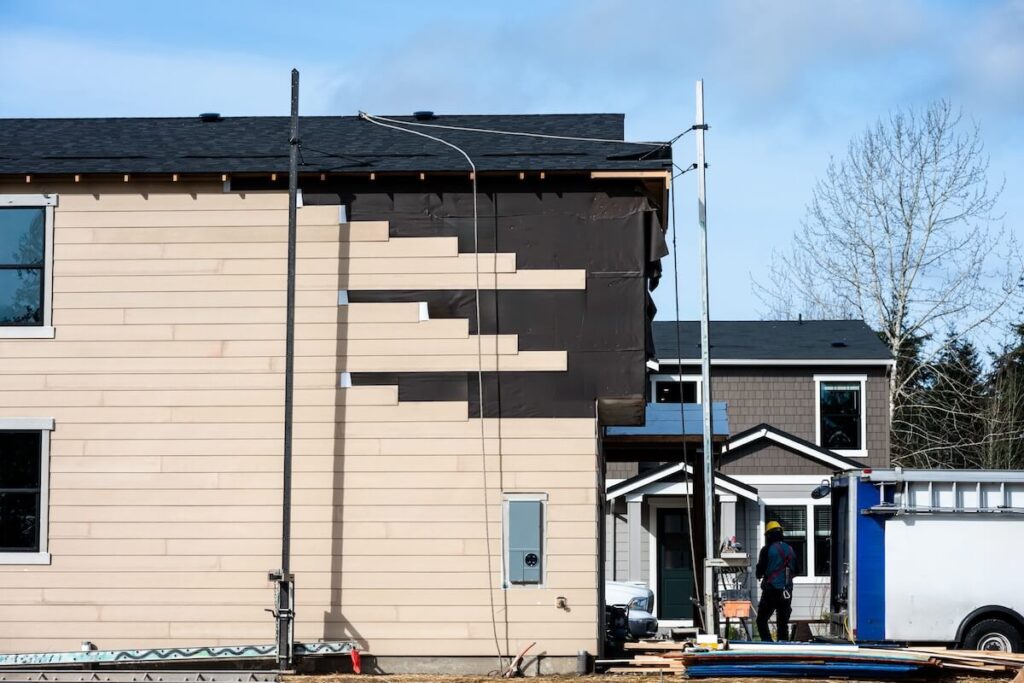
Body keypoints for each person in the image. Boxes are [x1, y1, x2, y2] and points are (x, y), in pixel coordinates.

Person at [755, 520, 797, 641]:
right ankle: (783, 645)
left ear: (768, 535)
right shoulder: (790, 549)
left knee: (761, 620)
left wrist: (762, 575)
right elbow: (797, 570)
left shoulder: (767, 550)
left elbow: (760, 570)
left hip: (771, 591)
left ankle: (768, 643)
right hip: (787, 592)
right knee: (782, 623)